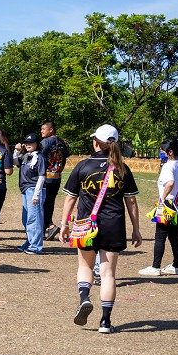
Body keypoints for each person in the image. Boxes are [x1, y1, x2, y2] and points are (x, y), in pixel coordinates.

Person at [61, 124, 142, 334]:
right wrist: (136, 229)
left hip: (86, 224)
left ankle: (84, 298)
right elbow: (131, 201)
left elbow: (70, 198)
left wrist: (64, 224)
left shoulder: (83, 166)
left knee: (85, 266)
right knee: (108, 274)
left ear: (96, 142)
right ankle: (105, 322)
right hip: (114, 225)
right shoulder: (123, 168)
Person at [140, 138, 178, 276]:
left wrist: (162, 198)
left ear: (170, 152)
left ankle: (155, 267)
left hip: (167, 208)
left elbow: (170, 183)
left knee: (160, 237)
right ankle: (176, 266)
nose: (160, 153)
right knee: (174, 238)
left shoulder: (168, 166)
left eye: (162, 151)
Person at [14, 133, 46, 254]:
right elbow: (15, 162)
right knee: (26, 218)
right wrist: (17, 151)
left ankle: (36, 246)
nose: (28, 145)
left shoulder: (40, 157)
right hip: (26, 189)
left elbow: (42, 176)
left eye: (31, 143)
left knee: (34, 218)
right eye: (26, 143)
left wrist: (36, 195)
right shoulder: (27, 156)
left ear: (37, 144)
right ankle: (30, 242)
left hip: (34, 189)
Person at [40, 121, 70, 240]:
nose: (42, 131)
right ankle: (48, 227)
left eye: (44, 129)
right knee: (49, 203)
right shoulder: (61, 142)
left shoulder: (45, 142)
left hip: (45, 178)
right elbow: (64, 159)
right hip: (56, 178)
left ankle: (48, 226)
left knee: (42, 203)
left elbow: (40, 158)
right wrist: (58, 170)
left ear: (51, 130)